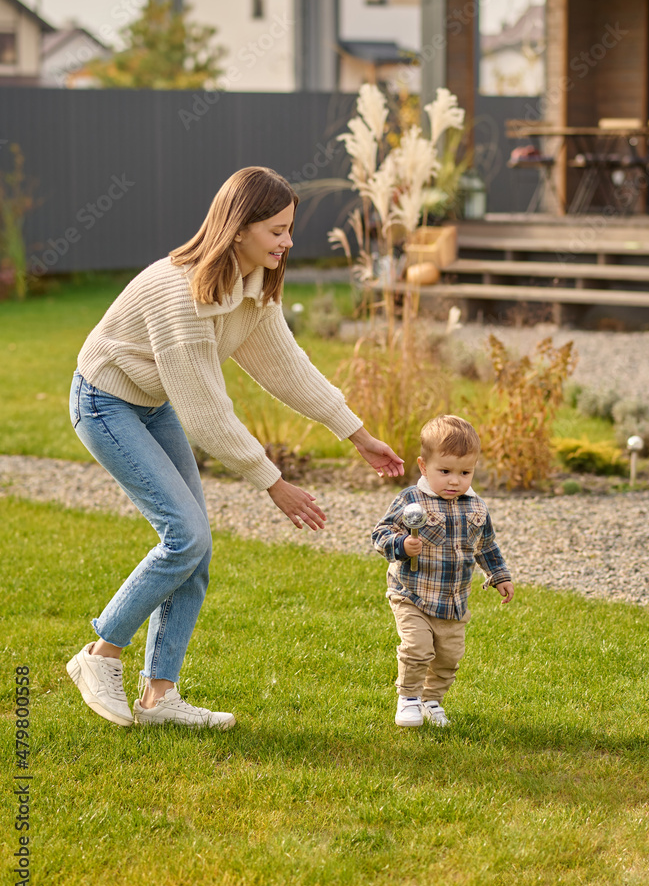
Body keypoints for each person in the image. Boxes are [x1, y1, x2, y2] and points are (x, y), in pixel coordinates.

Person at [66, 166, 404, 731]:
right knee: (187, 535)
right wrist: (273, 481)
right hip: (107, 403)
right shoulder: (180, 294)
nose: (288, 241)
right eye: (276, 230)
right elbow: (205, 413)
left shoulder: (252, 288)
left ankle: (159, 697)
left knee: (195, 549)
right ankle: (100, 653)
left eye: (289, 228)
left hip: (152, 405)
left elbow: (288, 369)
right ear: (238, 227)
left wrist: (358, 434)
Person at [371, 414, 513, 729]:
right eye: (445, 471)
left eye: (465, 472)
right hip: (412, 593)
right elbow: (380, 534)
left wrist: (499, 575)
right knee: (418, 648)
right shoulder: (411, 500)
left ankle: (431, 700)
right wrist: (401, 545)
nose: (454, 480)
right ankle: (408, 699)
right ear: (423, 466)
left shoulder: (476, 507)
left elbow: (486, 546)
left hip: (453, 600)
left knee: (448, 658)